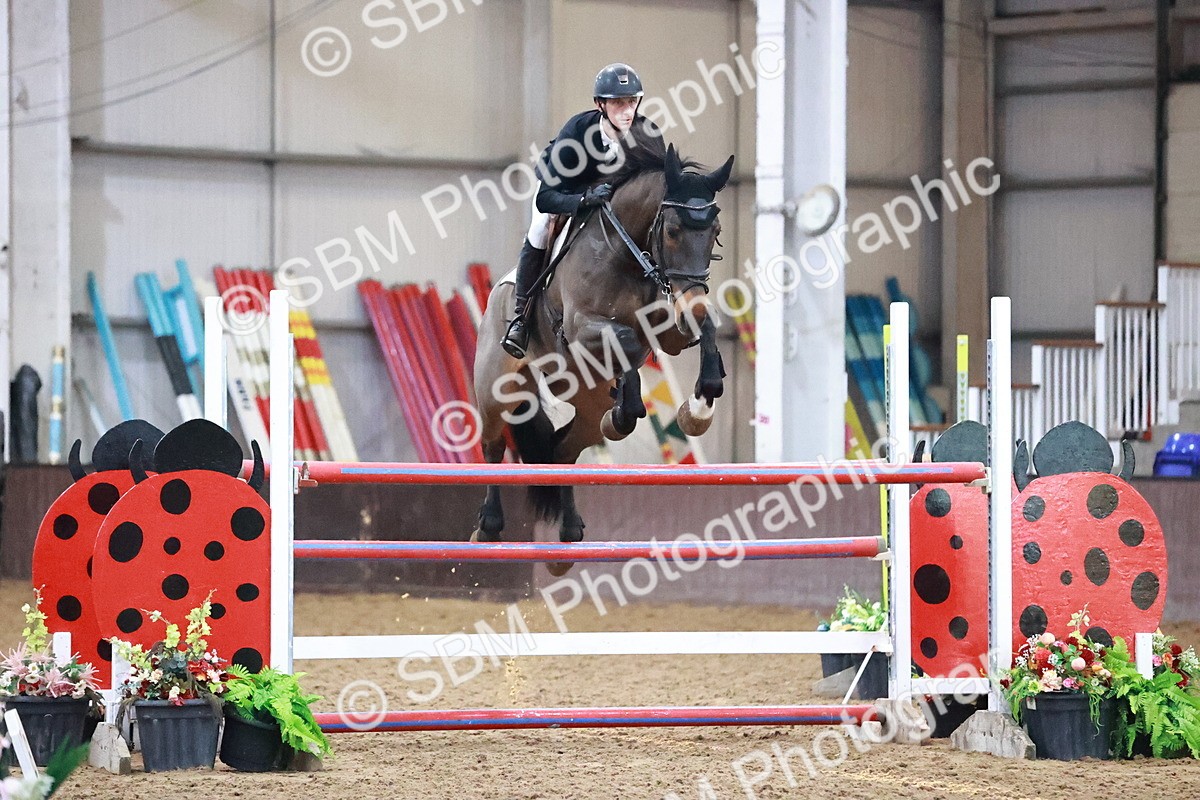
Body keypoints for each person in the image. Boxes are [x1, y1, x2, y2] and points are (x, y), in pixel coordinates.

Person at [501, 62, 662, 359]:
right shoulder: (578, 132)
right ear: (600, 104)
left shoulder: (647, 134)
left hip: (610, 204)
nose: (627, 111)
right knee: (539, 229)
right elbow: (546, 199)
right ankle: (521, 317)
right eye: (618, 103)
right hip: (565, 190)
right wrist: (584, 199)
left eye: (632, 102)